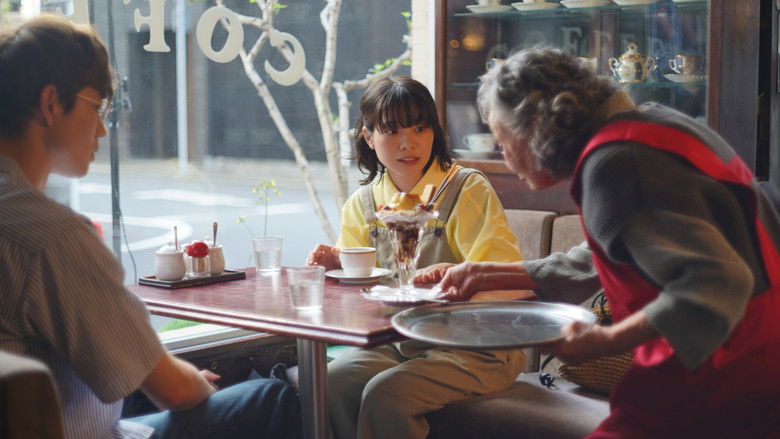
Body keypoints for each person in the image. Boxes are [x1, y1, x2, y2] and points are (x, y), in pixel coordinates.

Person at [438, 47, 780, 438]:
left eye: (501, 139)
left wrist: (605, 339)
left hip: (716, 374)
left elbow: (719, 280)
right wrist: (487, 274)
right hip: (759, 361)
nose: (504, 155)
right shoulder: (652, 124)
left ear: (533, 124)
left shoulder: (616, 163)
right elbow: (619, 246)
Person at [0, 15, 300, 439]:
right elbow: (177, 392)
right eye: (96, 107)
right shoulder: (52, 236)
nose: (103, 129)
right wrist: (190, 381)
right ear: (51, 104)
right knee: (268, 396)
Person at [306, 76, 525, 439]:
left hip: (478, 347)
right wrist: (337, 263)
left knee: (385, 394)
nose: (409, 143)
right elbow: (356, 296)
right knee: (330, 382)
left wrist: (454, 276)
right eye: (392, 131)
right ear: (368, 136)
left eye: (420, 128)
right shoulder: (363, 204)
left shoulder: (466, 189)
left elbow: (507, 282)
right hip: (398, 344)